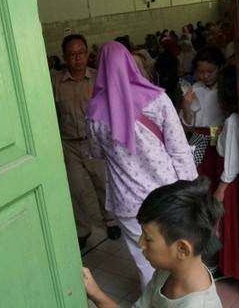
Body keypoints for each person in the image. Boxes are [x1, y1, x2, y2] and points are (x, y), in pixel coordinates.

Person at [86, 41, 198, 289]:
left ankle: (155, 302)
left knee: (144, 261)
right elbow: (179, 148)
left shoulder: (94, 110)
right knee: (177, 254)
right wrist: (190, 191)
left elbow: (95, 152)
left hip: (127, 201)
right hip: (166, 195)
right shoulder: (157, 99)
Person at [83, 179, 223, 308]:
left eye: (148, 239)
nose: (140, 243)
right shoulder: (169, 271)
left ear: (182, 249)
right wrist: (96, 293)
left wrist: (98, 296)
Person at [51, 34, 121, 249]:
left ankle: (110, 221)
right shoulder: (55, 83)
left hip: (95, 143)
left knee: (102, 183)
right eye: (71, 55)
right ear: (65, 57)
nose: (77, 59)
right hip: (69, 144)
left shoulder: (99, 78)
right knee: (78, 188)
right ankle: (83, 229)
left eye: (81, 53)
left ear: (87, 54)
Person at [213, 66, 239, 280]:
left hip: (230, 183)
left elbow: (232, 162)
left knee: (230, 226)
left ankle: (233, 269)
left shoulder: (232, 120)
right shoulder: (236, 117)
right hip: (231, 179)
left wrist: (221, 188)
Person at [180, 46, 226, 189]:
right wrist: (186, 106)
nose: (205, 76)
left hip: (220, 136)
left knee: (217, 171)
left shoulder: (225, 89)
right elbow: (187, 124)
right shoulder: (194, 89)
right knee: (197, 175)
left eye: (210, 72)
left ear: (219, 68)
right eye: (201, 72)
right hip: (199, 137)